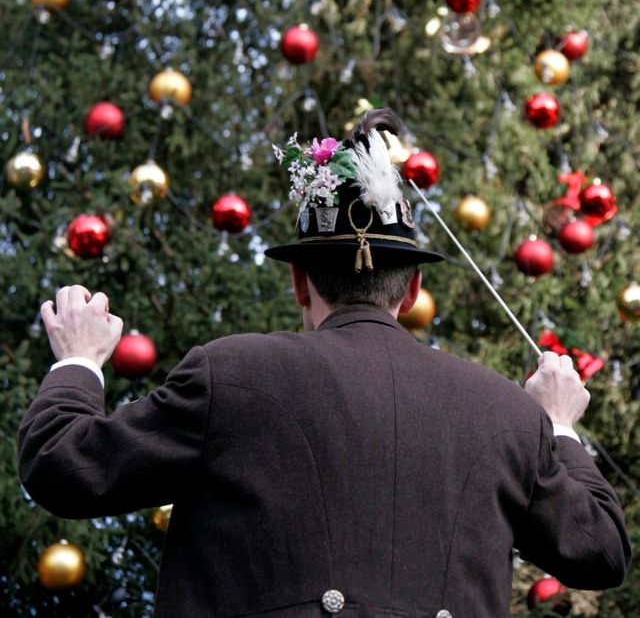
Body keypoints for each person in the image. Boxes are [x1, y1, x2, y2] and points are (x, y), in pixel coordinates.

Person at [18, 109, 630, 618]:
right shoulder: (506, 413)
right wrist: (558, 424)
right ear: (412, 290)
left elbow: (59, 464)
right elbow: (601, 551)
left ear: (299, 282)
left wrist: (78, 360)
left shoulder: (230, 374)